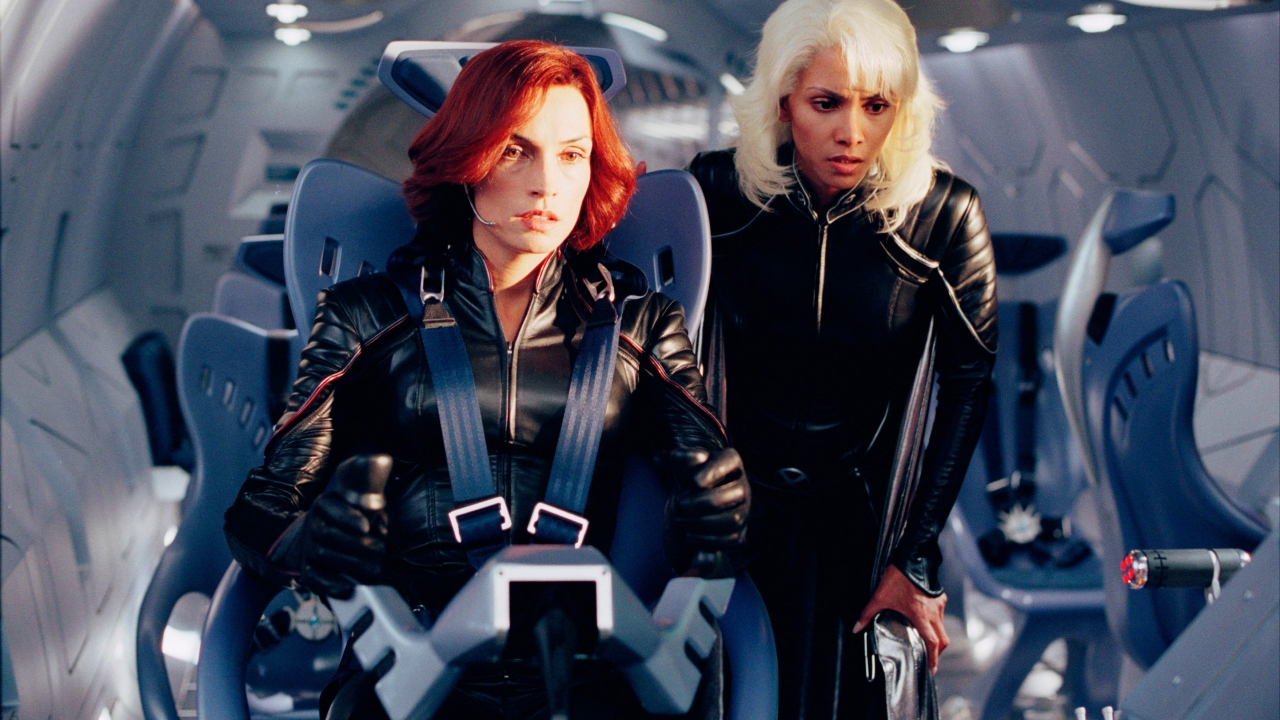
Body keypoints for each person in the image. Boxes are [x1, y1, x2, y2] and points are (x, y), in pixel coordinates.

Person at [225, 40, 750, 720]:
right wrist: (313, 539)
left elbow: (714, 509)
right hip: (411, 670)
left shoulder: (642, 325)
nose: (547, 184)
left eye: (572, 155)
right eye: (514, 150)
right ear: (466, 161)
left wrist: (716, 518)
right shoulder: (366, 316)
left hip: (586, 673)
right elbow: (258, 512)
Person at [687, 0, 997, 717]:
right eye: (826, 103)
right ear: (783, 101)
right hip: (730, 512)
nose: (852, 133)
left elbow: (967, 386)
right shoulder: (717, 192)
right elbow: (659, 357)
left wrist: (915, 555)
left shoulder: (943, 214)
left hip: (861, 517)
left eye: (876, 106)